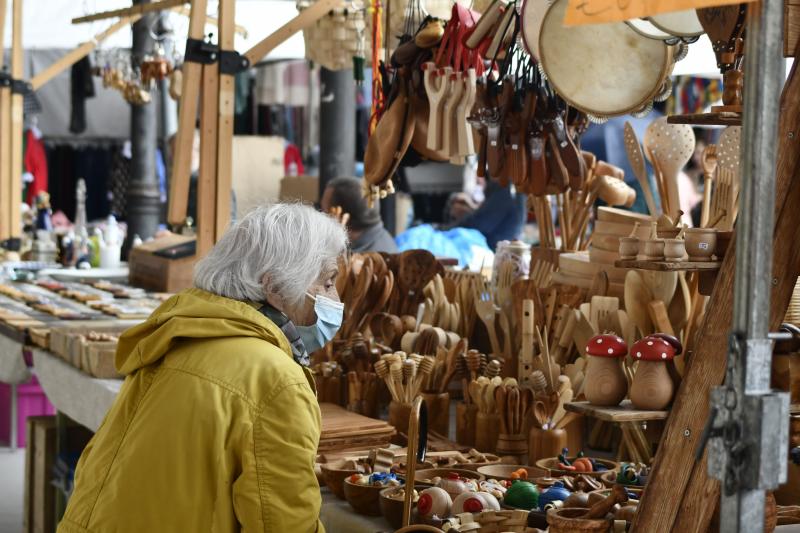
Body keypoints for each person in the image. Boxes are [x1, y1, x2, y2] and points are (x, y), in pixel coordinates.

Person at [57, 204, 347, 533]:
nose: (335, 298)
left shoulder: (179, 332)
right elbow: (284, 524)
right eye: (326, 283)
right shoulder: (277, 379)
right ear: (276, 288)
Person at [320, 176, 398, 253]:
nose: (320, 217)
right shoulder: (381, 239)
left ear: (342, 218)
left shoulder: (364, 262)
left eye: (324, 211)